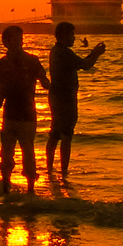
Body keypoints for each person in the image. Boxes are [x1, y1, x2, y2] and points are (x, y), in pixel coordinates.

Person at [0, 25, 49, 194]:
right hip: (9, 116)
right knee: (6, 155)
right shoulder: (3, 63)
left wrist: (53, 86)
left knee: (28, 152)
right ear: (5, 42)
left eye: (20, 38)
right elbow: (1, 92)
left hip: (28, 115)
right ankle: (6, 187)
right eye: (14, 38)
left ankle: (30, 191)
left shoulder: (32, 60)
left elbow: (44, 81)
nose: (19, 41)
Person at [46, 22, 105, 180]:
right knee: (66, 135)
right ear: (64, 36)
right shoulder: (64, 52)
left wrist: (93, 53)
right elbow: (85, 65)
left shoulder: (56, 51)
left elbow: (81, 64)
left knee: (55, 134)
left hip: (56, 96)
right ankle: (63, 172)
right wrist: (96, 53)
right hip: (65, 98)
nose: (74, 38)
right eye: (72, 35)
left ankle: (50, 168)